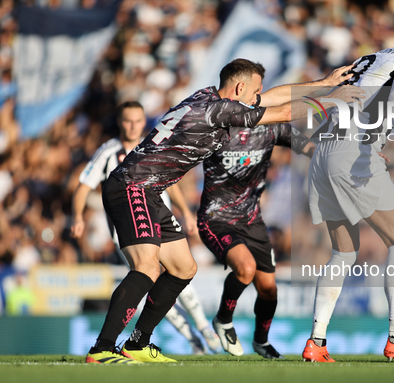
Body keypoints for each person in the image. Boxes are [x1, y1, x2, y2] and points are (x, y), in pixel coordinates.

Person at [85, 58, 362, 364]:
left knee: (183, 269)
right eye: (254, 91)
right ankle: (102, 348)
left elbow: (274, 99)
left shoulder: (212, 99)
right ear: (240, 87)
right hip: (132, 186)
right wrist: (333, 98)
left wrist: (324, 82)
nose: (258, 97)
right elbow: (283, 112)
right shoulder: (219, 110)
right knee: (147, 267)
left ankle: (138, 343)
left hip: (151, 191)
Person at [302, 7, 394, 363]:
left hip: (325, 152)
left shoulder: (370, 58)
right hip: (352, 153)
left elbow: (333, 98)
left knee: (344, 252)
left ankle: (316, 343)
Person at [71, 101, 222, 356]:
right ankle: (185, 337)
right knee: (148, 272)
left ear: (144, 122)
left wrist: (185, 211)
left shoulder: (149, 146)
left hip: (158, 211)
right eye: (128, 120)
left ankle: (199, 327)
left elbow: (169, 180)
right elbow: (84, 185)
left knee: (183, 268)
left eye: (138, 121)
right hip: (131, 218)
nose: (132, 126)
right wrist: (78, 216)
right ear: (120, 122)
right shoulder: (108, 151)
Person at [198, 123, 314, 359]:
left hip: (252, 221)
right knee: (245, 269)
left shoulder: (268, 128)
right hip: (217, 217)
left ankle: (261, 342)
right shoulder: (215, 126)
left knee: (268, 289)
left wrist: (327, 155)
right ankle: (223, 320)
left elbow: (306, 144)